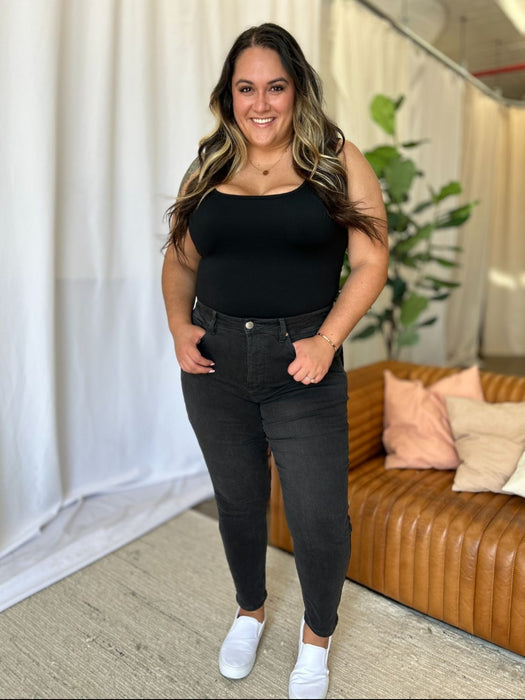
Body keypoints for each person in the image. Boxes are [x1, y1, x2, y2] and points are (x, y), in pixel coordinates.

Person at [161, 22, 388, 699]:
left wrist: (327, 341)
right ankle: (249, 611)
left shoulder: (336, 157)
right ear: (228, 96)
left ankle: (316, 640)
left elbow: (371, 260)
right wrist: (178, 326)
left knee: (318, 517)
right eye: (246, 88)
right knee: (238, 503)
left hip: (303, 364)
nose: (260, 104)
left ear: (298, 91)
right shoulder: (208, 163)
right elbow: (179, 261)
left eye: (275, 87)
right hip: (215, 364)